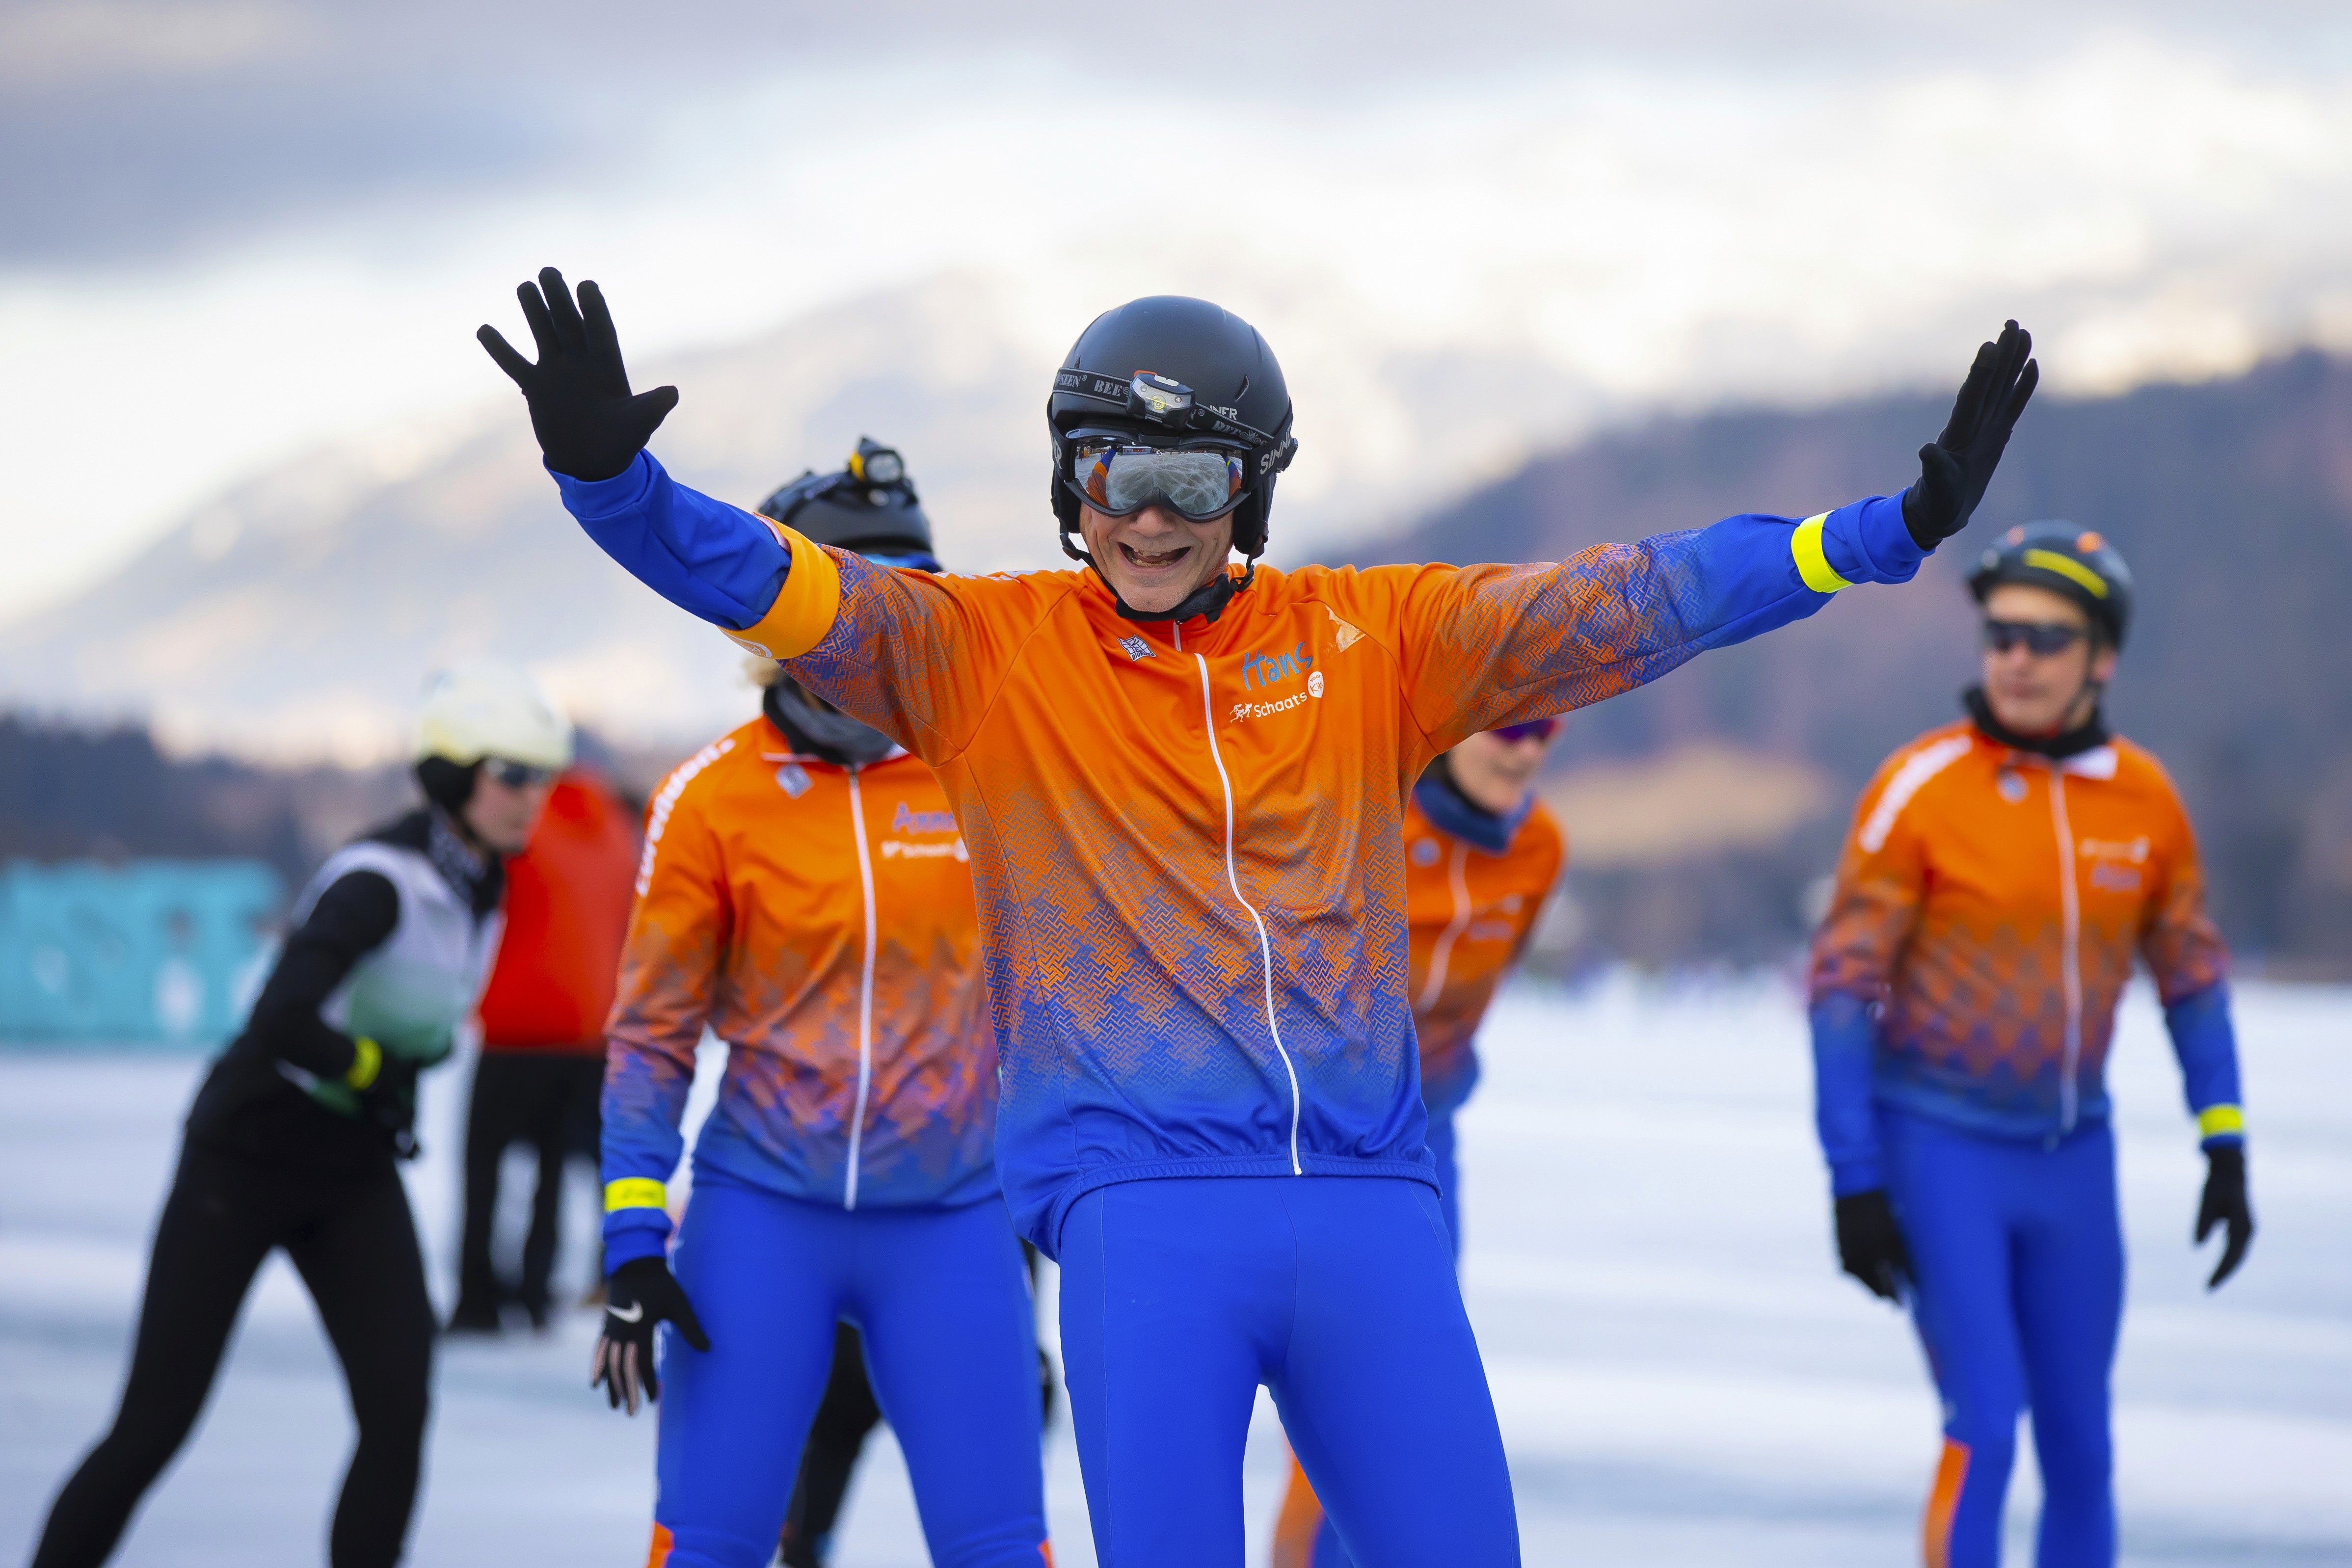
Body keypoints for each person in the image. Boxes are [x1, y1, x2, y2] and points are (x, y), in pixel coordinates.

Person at [480, 266, 2037, 1567]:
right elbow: (762, 579)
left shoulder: (1374, 640)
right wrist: (612, 487)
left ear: (1254, 491)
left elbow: (1633, 601)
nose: (1144, 521)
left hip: (1372, 1210)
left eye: (1189, 484)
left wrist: (1881, 534)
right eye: (1109, 477)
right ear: (1064, 485)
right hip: (1140, 1216)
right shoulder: (981, 655)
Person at [585, 442, 1049, 1568]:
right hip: (761, 1219)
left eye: (905, 593)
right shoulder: (711, 799)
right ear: (774, 616)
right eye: (848, 591)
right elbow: (652, 1035)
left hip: (953, 1224)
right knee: (708, 1544)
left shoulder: (992, 780)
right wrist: (632, 1232)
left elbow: (1071, 1016)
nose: (874, 627)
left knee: (1000, 1551)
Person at [30, 662, 569, 1568]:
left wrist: (410, 1056)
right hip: (241, 1164)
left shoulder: (483, 885)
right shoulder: (380, 880)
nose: (531, 798)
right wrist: (369, 1062)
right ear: (452, 775)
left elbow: (419, 1013)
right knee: (156, 1422)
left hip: (349, 1173)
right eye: (510, 774)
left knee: (399, 1409)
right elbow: (278, 1013)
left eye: (542, 778)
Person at [1807, 522, 2253, 1568]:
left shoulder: (2143, 799)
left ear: (2100, 658)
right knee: (1986, 1423)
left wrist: (2222, 1141)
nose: (2013, 656)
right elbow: (1838, 990)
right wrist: (1853, 1179)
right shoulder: (1920, 785)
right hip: (1938, 1150)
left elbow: (2188, 977)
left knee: (2082, 1448)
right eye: (1998, 633)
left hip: (2071, 1163)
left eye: (2043, 639)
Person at [1273, 718, 1567, 1568]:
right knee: (1332, 1393)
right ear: (1455, 730)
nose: (1524, 749)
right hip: (1315, 1138)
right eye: (1507, 726)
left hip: (1427, 1145)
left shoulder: (1541, 846)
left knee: (1408, 1390)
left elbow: (1486, 985)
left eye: (1544, 729)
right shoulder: (1370, 823)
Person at [450, 761, 640, 1333]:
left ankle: (478, 1300)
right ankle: (535, 1295)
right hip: (588, 1030)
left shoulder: (529, 821)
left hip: (515, 1028)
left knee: (483, 1167)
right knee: (553, 1169)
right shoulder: (616, 834)